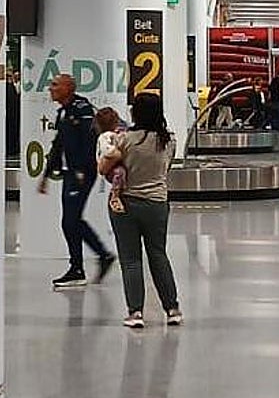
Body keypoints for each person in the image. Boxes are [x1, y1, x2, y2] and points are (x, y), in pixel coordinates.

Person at [97, 91, 181, 329]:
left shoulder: (124, 140)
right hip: (157, 203)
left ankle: (135, 313)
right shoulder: (169, 140)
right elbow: (166, 169)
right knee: (158, 254)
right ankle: (172, 308)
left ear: (136, 112)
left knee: (131, 259)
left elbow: (104, 168)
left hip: (126, 204)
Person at [38, 74, 116, 290]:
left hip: (81, 173)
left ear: (68, 88)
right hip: (70, 173)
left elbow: (89, 141)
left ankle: (94, 259)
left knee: (71, 220)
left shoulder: (81, 109)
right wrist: (46, 176)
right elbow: (59, 145)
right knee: (69, 221)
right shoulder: (63, 111)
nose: (50, 88)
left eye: (55, 85)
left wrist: (82, 169)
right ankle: (84, 264)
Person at [95, 107, 127, 213]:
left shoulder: (115, 134)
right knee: (120, 173)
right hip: (111, 169)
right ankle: (115, 196)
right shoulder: (104, 137)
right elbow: (108, 153)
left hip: (115, 165)